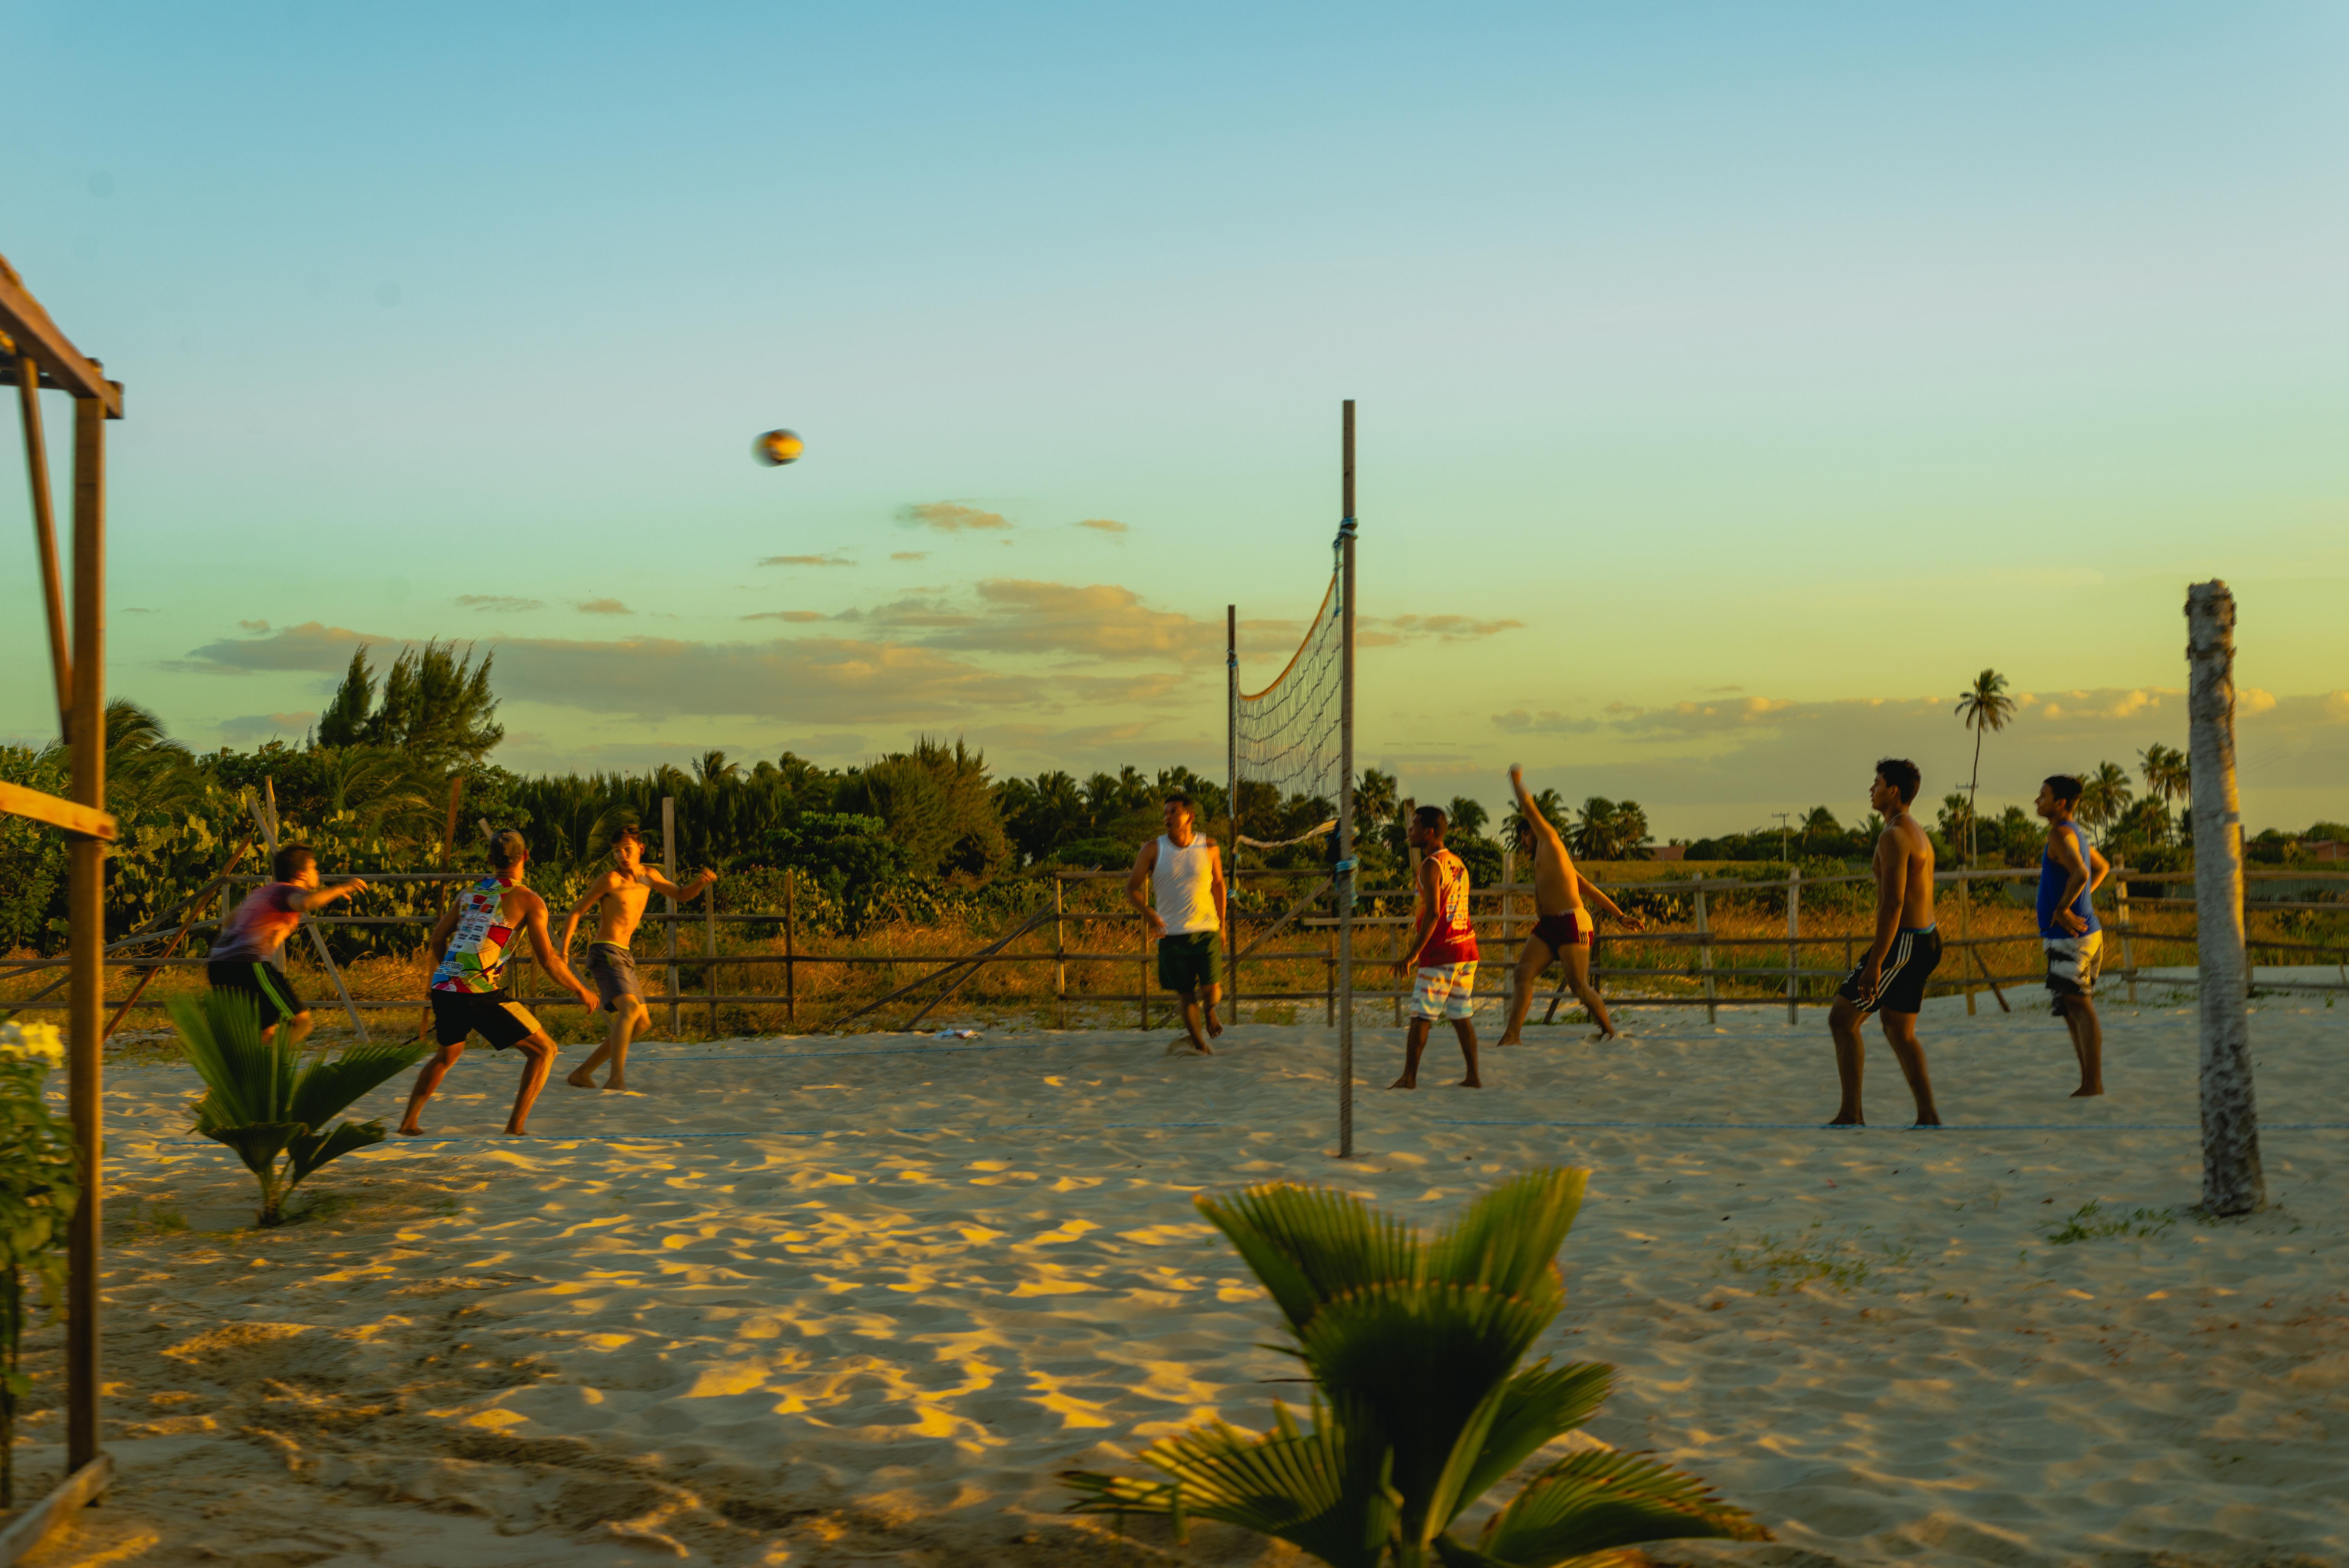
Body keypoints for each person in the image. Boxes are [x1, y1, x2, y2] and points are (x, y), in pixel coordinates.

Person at [397, 830, 596, 1137]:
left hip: (444, 985)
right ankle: (515, 1128)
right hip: (478, 990)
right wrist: (581, 989)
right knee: (544, 1051)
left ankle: (409, 1123)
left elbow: (438, 939)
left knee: (446, 1055)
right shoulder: (529, 900)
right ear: (526, 857)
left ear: (490, 860)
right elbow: (548, 961)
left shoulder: (467, 894)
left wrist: (450, 974)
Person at [1492, 763, 1648, 1046]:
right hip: (1549, 926)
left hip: (1571, 922)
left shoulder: (1550, 842)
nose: (1522, 840)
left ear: (1535, 831)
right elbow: (1586, 887)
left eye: (1524, 834)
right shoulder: (1546, 859)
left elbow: (1528, 807)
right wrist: (1620, 915)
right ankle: (1512, 1035)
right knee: (1523, 972)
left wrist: (1516, 781)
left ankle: (1609, 1032)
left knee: (1579, 987)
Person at [1826, 759, 1943, 1127]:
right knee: (1898, 1029)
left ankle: (1851, 1114)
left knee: (1843, 1020)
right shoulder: (1914, 830)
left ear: (1893, 791)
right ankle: (1928, 1116)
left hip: (1904, 944)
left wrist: (1877, 962)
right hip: (1924, 939)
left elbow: (1893, 902)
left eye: (1876, 783)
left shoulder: (1893, 835)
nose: (1871, 790)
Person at [558, 822, 717, 1091]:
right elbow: (576, 912)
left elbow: (680, 895)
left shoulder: (649, 876)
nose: (623, 856)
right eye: (617, 851)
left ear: (640, 849)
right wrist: (563, 952)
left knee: (641, 1023)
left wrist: (700, 883)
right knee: (630, 1011)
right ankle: (616, 1080)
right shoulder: (610, 880)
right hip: (605, 951)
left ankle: (582, 1073)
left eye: (627, 849)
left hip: (625, 955)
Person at [205, 843, 369, 1049]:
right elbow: (305, 904)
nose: (318, 872)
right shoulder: (288, 892)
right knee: (302, 1024)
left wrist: (269, 930)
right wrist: (343, 887)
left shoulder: (264, 892)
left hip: (219, 965)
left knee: (265, 1032)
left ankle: (243, 1074)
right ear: (301, 874)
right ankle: (270, 1074)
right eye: (314, 867)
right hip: (247, 964)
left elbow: (229, 921)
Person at [1126, 791, 1226, 1055]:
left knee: (1211, 990)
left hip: (1207, 930)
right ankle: (1200, 1045)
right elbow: (1132, 889)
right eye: (1166, 813)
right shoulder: (1153, 849)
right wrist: (1150, 914)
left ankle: (1211, 1010)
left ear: (1190, 816)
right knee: (1185, 994)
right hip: (1171, 935)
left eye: (1174, 812)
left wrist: (1223, 924)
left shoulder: (1209, 846)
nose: (1167, 817)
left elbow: (1218, 884)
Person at [1390, 804, 1483, 1089]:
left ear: (1429, 832)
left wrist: (1412, 955)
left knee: (1421, 1016)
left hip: (1442, 952)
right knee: (1460, 1015)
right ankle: (1473, 1077)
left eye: (1415, 825)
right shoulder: (1458, 862)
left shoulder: (1431, 865)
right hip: (1466, 949)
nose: (1410, 830)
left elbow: (1433, 913)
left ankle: (1409, 1078)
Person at [2035, 774, 2110, 1098]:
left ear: (2060, 803)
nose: (2037, 801)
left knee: (2080, 1006)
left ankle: (2093, 1083)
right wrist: (2082, 900)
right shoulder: (2075, 832)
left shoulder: (2059, 835)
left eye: (2043, 795)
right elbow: (2101, 867)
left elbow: (2082, 872)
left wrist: (2065, 907)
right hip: (2081, 934)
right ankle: (2088, 1081)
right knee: (2071, 1007)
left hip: (2071, 937)